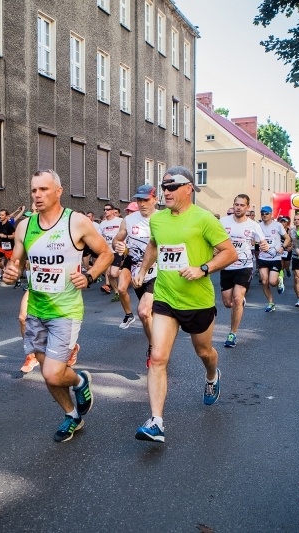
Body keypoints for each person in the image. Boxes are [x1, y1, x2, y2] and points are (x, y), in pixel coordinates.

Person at [1, 169, 112, 442]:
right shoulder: (25, 226)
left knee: (52, 373)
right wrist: (10, 271)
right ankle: (72, 415)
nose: (37, 195)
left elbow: (106, 253)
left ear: (58, 191)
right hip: (37, 309)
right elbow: (16, 261)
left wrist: (89, 276)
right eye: (34, 190)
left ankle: (79, 380)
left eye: (44, 189)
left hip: (65, 311)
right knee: (48, 374)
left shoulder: (76, 222)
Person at [132, 167, 237, 443]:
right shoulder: (158, 219)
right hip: (166, 297)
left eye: (172, 186)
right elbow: (154, 245)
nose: (166, 191)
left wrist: (203, 268)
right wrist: (144, 269)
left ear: (189, 187)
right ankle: (156, 422)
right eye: (163, 187)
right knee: (157, 358)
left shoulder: (204, 219)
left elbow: (229, 253)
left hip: (198, 301)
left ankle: (213, 375)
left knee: (204, 351)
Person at [115, 184, 159, 367]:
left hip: (157, 271)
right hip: (134, 268)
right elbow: (118, 239)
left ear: (155, 199)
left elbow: (157, 248)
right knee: (149, 316)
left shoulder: (162, 219)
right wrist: (118, 245)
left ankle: (154, 348)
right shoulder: (129, 219)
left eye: (146, 200)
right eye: (138, 200)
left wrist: (143, 271)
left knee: (144, 311)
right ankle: (156, 342)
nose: (141, 204)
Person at [219, 194, 266, 347]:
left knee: (237, 298)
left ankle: (232, 334)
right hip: (226, 265)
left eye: (242, 205)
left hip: (244, 266)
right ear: (233, 205)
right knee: (227, 302)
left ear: (247, 207)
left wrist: (264, 246)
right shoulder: (223, 222)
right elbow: (213, 239)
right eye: (236, 205)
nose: (238, 208)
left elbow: (263, 242)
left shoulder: (253, 225)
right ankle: (239, 302)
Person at [257, 205, 289, 312]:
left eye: (267, 213)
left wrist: (283, 247)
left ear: (271, 214)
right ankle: (271, 303)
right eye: (262, 213)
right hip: (263, 257)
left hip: (275, 257)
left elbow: (287, 238)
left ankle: (280, 279)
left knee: (272, 282)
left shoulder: (278, 225)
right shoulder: (258, 226)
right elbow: (254, 240)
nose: (264, 215)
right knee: (264, 281)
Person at [99, 202, 123, 296]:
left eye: (108, 209)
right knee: (109, 274)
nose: (106, 211)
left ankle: (128, 272)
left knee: (113, 274)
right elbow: (99, 237)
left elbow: (126, 233)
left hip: (117, 250)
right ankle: (117, 292)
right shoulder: (102, 224)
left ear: (113, 211)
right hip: (107, 252)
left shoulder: (120, 221)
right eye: (104, 209)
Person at [0, 208, 15, 280]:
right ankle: (4, 268)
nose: (0, 216)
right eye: (0, 215)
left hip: (9, 247)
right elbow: (0, 234)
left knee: (12, 263)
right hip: (1, 246)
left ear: (6, 216)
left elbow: (14, 235)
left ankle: (17, 279)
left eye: (2, 215)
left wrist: (6, 236)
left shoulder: (9, 225)